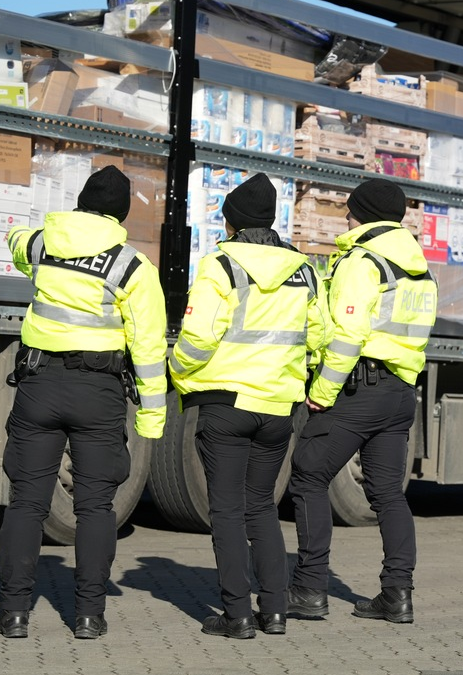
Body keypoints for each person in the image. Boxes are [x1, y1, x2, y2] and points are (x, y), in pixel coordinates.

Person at [0, 165, 168, 640]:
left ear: (79, 203)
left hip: (39, 385)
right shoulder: (132, 266)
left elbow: (14, 240)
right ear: (121, 214)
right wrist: (152, 419)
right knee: (95, 507)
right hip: (99, 395)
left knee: (27, 503)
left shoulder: (42, 244)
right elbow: (149, 349)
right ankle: (89, 615)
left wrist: (34, 230)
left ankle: (12, 613)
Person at [169, 173, 331, 639]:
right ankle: (275, 610)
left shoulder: (220, 265)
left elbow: (198, 338)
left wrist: (180, 373)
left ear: (232, 222)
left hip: (226, 406)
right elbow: (317, 337)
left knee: (225, 510)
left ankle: (237, 615)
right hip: (279, 408)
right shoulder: (304, 269)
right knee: (261, 507)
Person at [287, 178, 437, 624]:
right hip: (399, 392)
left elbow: (350, 334)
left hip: (359, 389)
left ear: (366, 213)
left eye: (351, 210)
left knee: (308, 477)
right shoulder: (418, 268)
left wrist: (322, 392)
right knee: (388, 494)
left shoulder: (362, 261)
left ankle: (310, 588)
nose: (346, 217)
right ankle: (398, 594)